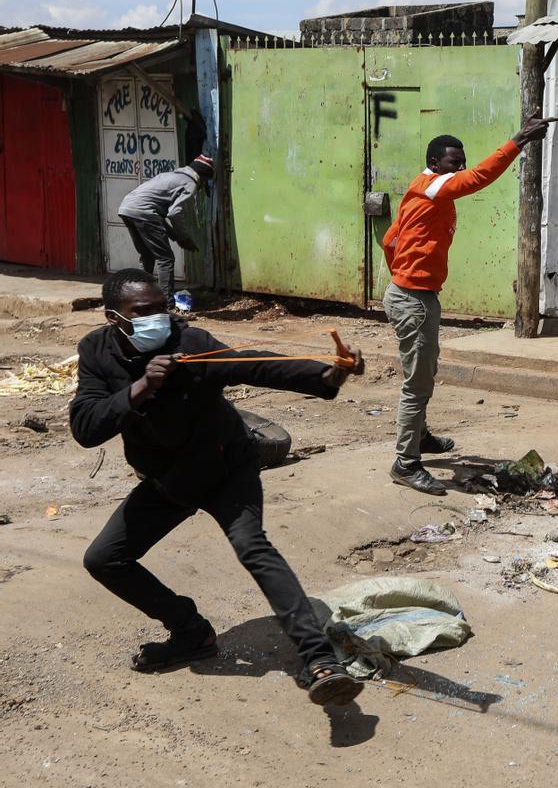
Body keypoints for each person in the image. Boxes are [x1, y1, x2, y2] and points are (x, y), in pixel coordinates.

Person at [71, 269, 367, 706]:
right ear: (115, 317)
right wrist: (139, 388)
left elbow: (254, 362)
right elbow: (85, 426)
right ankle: (191, 632)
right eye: (144, 312)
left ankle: (320, 660)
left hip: (227, 467)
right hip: (167, 477)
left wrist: (327, 376)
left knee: (254, 548)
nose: (158, 318)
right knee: (104, 559)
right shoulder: (96, 350)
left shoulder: (191, 343)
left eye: (162, 308)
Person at [380, 116, 558, 495]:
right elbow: (479, 177)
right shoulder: (436, 188)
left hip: (411, 294)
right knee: (417, 382)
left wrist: (403, 273)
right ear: (434, 162)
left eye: (461, 160)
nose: (459, 167)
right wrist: (519, 140)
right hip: (413, 299)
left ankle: (420, 436)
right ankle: (405, 463)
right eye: (452, 162)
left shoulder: (421, 188)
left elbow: (391, 239)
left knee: (424, 372)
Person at [118, 155, 214, 303]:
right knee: (166, 259)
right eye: (205, 182)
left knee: (147, 256)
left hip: (127, 208)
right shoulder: (190, 183)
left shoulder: (171, 175)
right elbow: (174, 213)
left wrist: (176, 237)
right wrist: (183, 237)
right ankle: (165, 304)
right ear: (203, 177)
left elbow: (159, 217)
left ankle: (140, 299)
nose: (203, 186)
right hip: (144, 212)